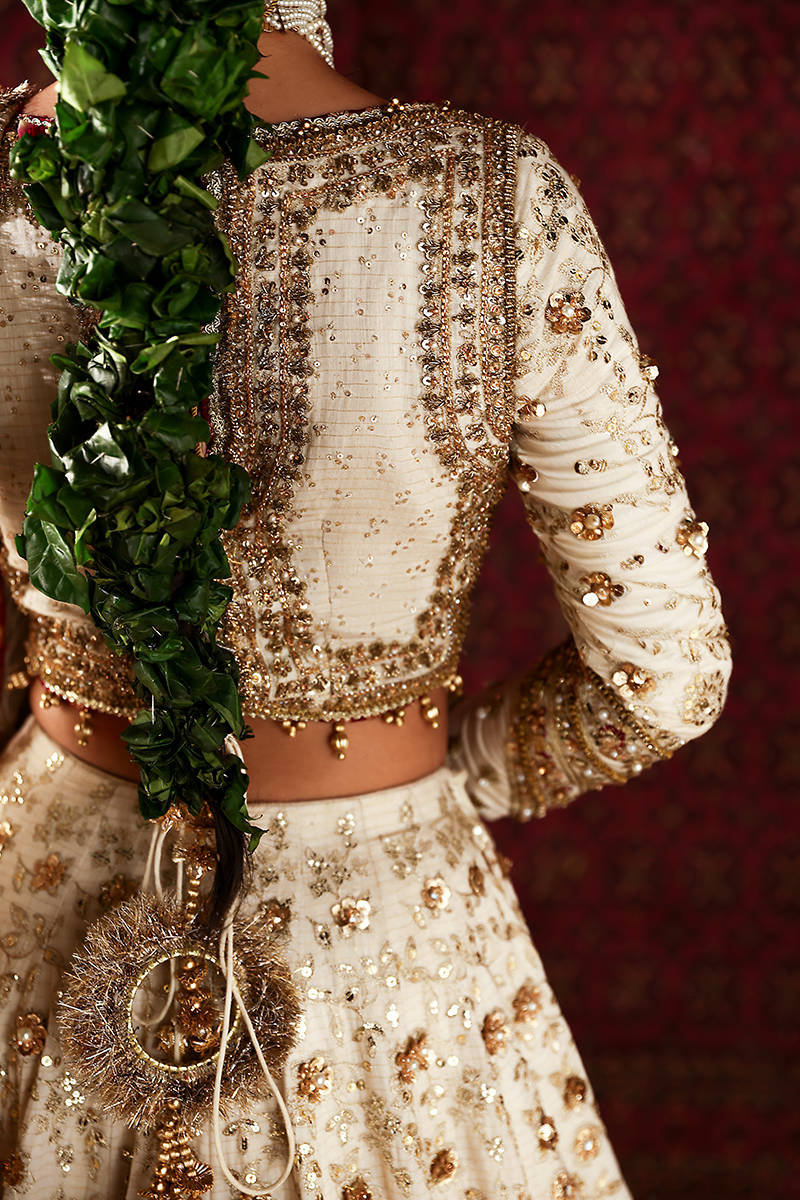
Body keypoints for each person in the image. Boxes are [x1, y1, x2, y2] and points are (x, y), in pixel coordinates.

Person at [0, 1, 732, 1196]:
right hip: (385, 924)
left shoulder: (11, 176)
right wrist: (446, 783)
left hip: (40, 884)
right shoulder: (495, 195)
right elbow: (664, 679)